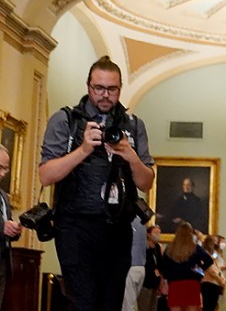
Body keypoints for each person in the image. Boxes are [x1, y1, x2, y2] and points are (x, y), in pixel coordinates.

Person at [39, 55, 155, 311]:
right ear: (88, 86)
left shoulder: (133, 125)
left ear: (120, 89)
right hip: (74, 225)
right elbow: (46, 175)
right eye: (98, 88)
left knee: (110, 304)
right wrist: (83, 150)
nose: (105, 95)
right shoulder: (65, 120)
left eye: (112, 89)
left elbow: (146, 182)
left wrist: (130, 155)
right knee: (83, 302)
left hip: (118, 228)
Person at [160, 222, 214, 311]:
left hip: (175, 284)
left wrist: (166, 280)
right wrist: (199, 269)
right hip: (192, 283)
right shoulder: (195, 248)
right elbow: (209, 260)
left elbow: (164, 268)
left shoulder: (170, 249)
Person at [0, 145, 22, 304]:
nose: (2, 174)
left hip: (2, 264)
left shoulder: (3, 196)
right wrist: (2, 227)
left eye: (5, 169)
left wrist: (14, 229)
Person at [123, 217, 148, 311]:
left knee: (127, 305)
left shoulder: (126, 221)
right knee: (131, 302)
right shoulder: (142, 223)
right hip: (141, 266)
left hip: (130, 267)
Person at [138, 225, 163, 311]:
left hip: (155, 283)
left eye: (159, 233)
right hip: (145, 283)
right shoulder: (143, 247)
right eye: (155, 233)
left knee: (153, 307)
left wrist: (160, 281)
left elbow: (160, 266)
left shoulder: (158, 248)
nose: (158, 235)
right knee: (144, 307)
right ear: (148, 234)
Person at [200, 234, 226, 311]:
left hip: (214, 283)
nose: (216, 244)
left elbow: (216, 266)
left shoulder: (214, 253)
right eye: (214, 242)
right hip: (209, 282)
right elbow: (211, 269)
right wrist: (220, 279)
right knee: (208, 307)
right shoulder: (205, 254)